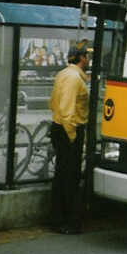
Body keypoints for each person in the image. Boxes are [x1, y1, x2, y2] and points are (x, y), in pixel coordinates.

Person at [48, 39, 90, 234]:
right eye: (87, 55)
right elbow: (67, 110)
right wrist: (73, 136)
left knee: (62, 175)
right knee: (70, 177)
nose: (89, 59)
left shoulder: (64, 74)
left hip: (59, 127)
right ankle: (67, 222)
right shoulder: (74, 78)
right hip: (68, 130)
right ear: (82, 57)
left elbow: (54, 104)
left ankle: (57, 219)